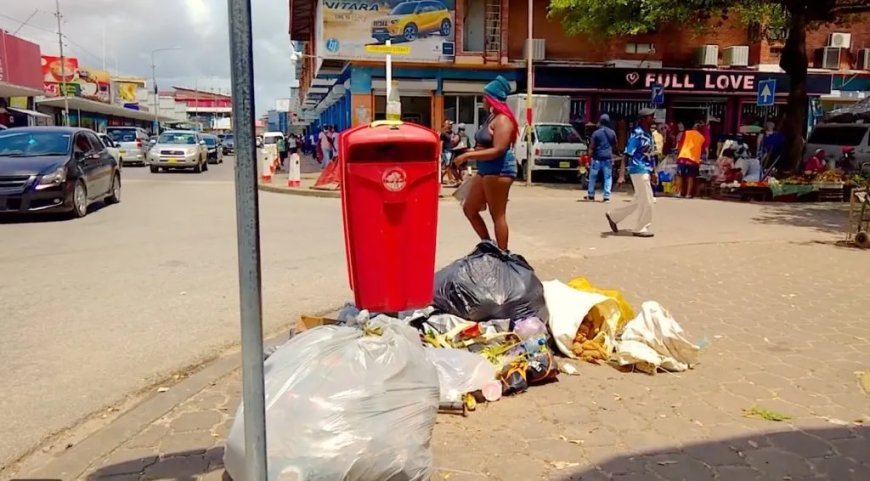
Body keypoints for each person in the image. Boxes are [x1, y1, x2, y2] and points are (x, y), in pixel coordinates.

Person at [453, 76, 519, 251]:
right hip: (485, 171)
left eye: (484, 96)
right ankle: (489, 245)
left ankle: (503, 256)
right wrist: (471, 151)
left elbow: (498, 150)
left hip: (499, 171)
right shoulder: (491, 117)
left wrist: (468, 157)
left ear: (492, 98)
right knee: (469, 209)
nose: (482, 100)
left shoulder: (503, 120)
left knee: (497, 215)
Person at [605, 108, 656, 238]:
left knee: (639, 200)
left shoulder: (648, 134)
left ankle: (614, 216)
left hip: (646, 168)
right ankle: (641, 228)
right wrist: (621, 175)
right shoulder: (637, 134)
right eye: (651, 116)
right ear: (643, 119)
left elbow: (650, 155)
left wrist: (654, 172)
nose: (654, 118)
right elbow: (626, 155)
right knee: (648, 200)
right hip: (638, 169)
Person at [585, 114, 617, 202]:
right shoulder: (612, 132)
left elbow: (591, 147)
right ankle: (606, 196)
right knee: (608, 177)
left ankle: (591, 195)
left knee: (592, 177)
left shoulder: (596, 133)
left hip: (597, 159)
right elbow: (615, 145)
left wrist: (588, 159)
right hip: (607, 158)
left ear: (600, 121)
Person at [675, 122, 705, 198]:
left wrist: (677, 154)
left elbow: (680, 144)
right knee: (690, 177)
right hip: (693, 159)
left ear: (693, 127)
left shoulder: (686, 133)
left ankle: (679, 192)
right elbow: (702, 150)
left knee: (679, 175)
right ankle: (688, 194)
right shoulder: (702, 137)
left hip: (683, 156)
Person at [440, 120, 459, 185]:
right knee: (448, 165)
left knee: (448, 165)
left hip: (453, 150)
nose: (451, 126)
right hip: (446, 151)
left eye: (451, 124)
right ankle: (451, 179)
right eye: (449, 124)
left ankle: (442, 176)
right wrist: (441, 152)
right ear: (446, 125)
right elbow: (441, 143)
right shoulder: (443, 133)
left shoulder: (453, 133)